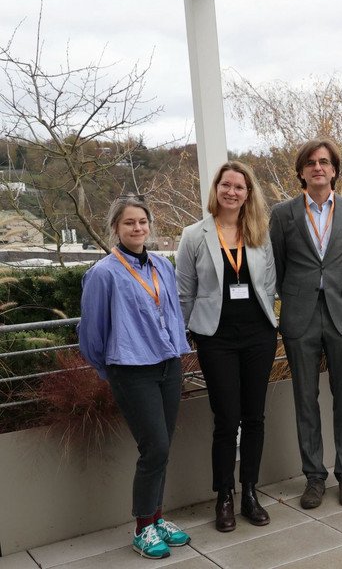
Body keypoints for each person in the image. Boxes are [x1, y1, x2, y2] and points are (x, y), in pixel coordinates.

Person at [78, 196, 192, 560]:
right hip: (131, 370)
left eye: (142, 221)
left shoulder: (162, 265)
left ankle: (157, 518)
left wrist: (177, 350)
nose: (137, 228)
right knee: (154, 447)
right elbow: (91, 332)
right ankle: (143, 527)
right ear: (115, 227)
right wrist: (107, 369)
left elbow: (173, 312)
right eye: (129, 223)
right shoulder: (103, 273)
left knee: (164, 445)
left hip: (167, 365)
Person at [176, 162, 277, 531]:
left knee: (254, 417)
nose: (232, 192)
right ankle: (224, 496)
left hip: (258, 335)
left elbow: (269, 285)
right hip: (214, 338)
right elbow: (184, 291)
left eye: (239, 187)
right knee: (226, 418)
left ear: (248, 194)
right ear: (216, 188)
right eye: (226, 185)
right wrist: (180, 337)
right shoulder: (193, 235)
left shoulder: (259, 232)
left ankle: (250, 491)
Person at [270, 139, 342, 508]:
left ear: (334, 170)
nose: (318, 167)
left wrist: (337, 290)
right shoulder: (283, 213)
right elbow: (277, 268)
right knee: (305, 400)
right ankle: (314, 477)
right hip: (300, 315)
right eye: (310, 162)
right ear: (301, 171)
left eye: (324, 162)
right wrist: (298, 295)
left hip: (341, 314)